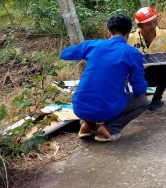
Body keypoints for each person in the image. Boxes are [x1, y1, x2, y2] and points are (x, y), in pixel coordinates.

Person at [60, 14, 148, 142]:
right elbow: (139, 88)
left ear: (108, 33)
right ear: (128, 35)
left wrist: (86, 53)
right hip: (106, 110)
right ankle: (109, 129)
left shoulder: (91, 45)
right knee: (143, 101)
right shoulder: (133, 54)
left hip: (79, 108)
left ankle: (86, 126)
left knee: (93, 89)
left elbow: (64, 54)